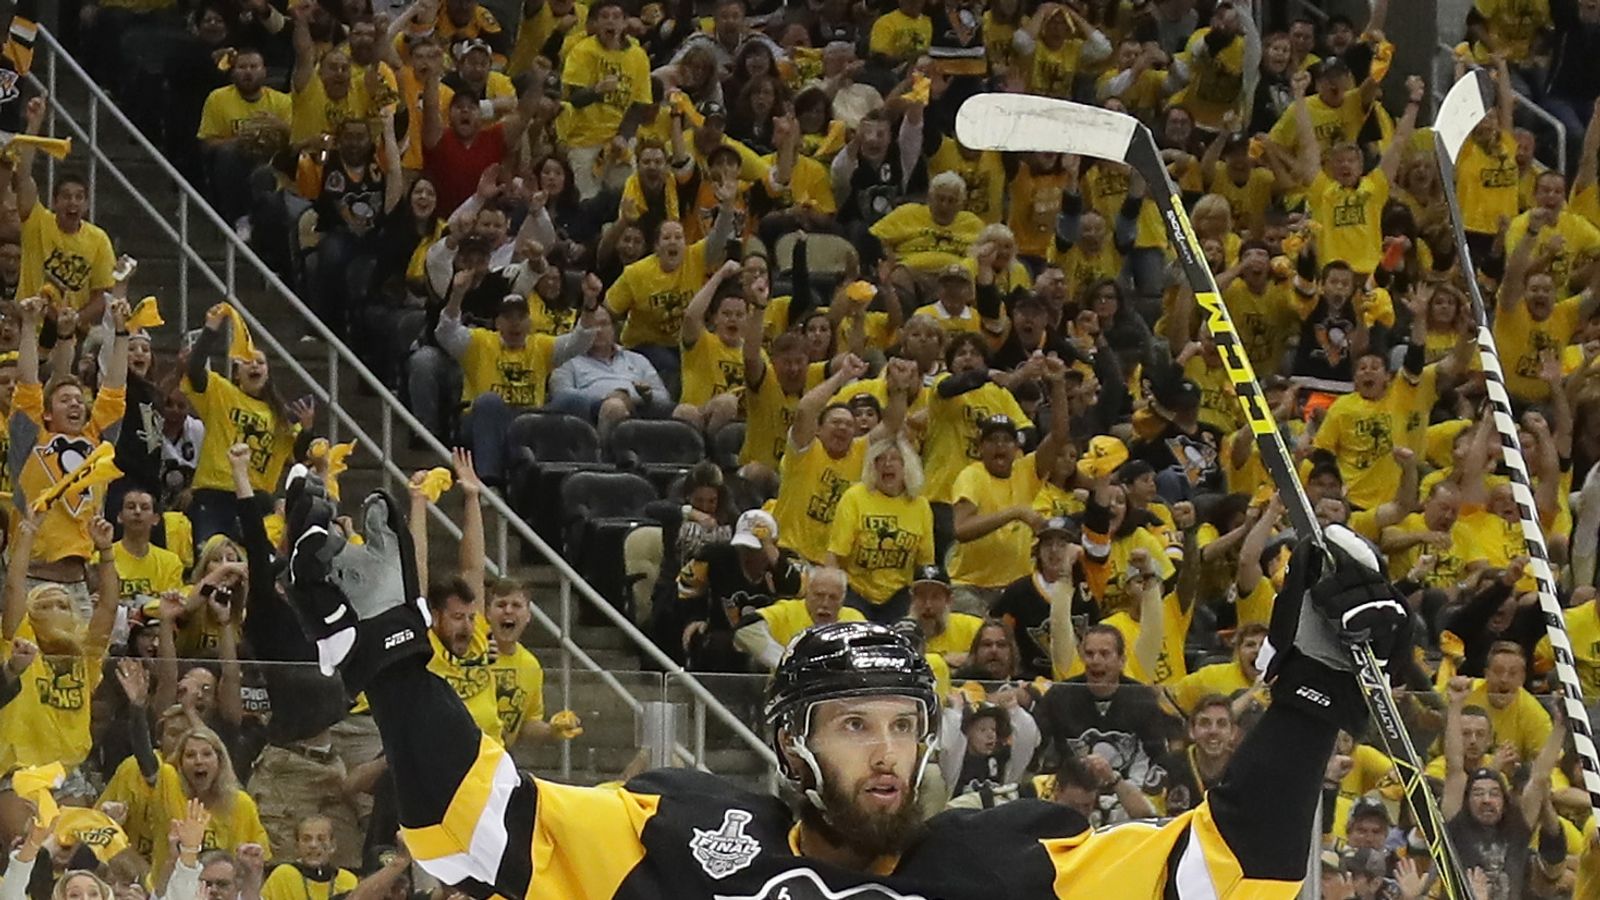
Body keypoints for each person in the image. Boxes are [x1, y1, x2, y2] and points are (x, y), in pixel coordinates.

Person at [280, 460, 1419, 897]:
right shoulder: (679, 833)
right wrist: (389, 652)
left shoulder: (1013, 859)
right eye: (854, 726)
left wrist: (1311, 691)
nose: (886, 753)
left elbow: (1233, 871)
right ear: (790, 746)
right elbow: (472, 827)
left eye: (902, 726)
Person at [675, 509, 806, 672]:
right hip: (725, 636)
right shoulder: (713, 557)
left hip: (772, 638)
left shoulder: (787, 564)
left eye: (755, 549)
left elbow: (800, 592)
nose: (747, 555)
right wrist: (694, 617)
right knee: (712, 644)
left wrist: (774, 558)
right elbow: (686, 584)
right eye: (743, 548)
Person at [734, 565, 865, 670]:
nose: (825, 603)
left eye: (833, 597)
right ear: (808, 593)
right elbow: (745, 629)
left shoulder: (854, 619)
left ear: (843, 599)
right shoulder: (788, 611)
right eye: (819, 595)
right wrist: (786, 662)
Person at [259, 816, 356, 900]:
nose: (313, 845)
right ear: (297, 846)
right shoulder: (283, 876)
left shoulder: (348, 881)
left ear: (332, 846)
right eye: (306, 839)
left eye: (321, 839)